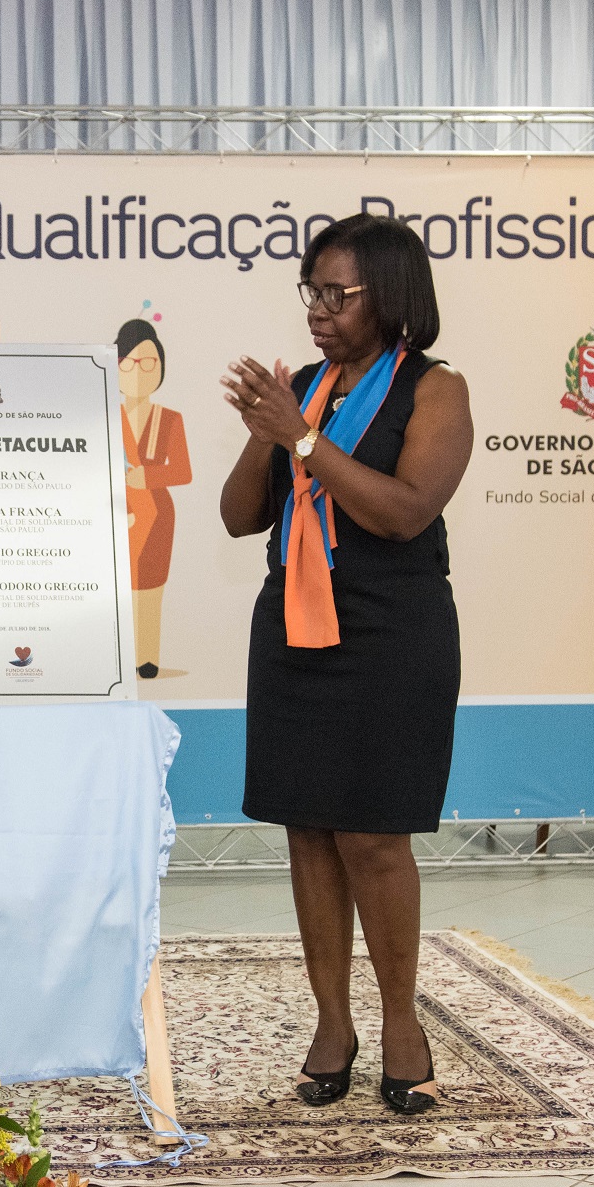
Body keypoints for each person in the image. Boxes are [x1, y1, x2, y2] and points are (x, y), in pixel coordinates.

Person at [219, 213, 473, 1116]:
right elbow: (238, 515)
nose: (319, 309)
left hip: (390, 631)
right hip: (291, 627)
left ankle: (402, 1023)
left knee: (373, 833)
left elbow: (404, 511)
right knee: (309, 828)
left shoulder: (437, 390)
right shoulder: (309, 389)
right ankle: (334, 1024)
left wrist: (300, 437)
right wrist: (269, 426)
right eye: (312, 293)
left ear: (391, 297)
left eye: (339, 294)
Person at [116, 318, 191, 678]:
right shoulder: (105, 418)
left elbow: (183, 471)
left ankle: (145, 658)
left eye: (148, 362)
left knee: (149, 589)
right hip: (114, 512)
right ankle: (114, 656)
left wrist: (147, 475)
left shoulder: (169, 419)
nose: (138, 371)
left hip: (157, 513)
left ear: (161, 367)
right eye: (128, 363)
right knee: (116, 588)